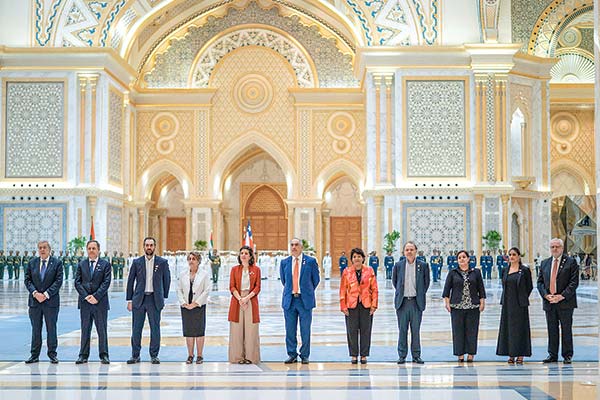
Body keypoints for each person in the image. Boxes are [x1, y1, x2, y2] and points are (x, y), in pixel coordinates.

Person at [126, 237, 171, 364]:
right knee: (136, 328)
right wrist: (129, 300)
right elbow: (130, 281)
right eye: (147, 245)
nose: (149, 247)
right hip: (139, 300)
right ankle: (135, 355)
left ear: (155, 246)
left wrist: (163, 297)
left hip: (154, 300)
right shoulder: (137, 262)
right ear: (143, 246)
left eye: (151, 245)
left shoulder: (162, 262)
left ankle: (154, 355)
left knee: (155, 328)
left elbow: (167, 280)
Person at [537, 238, 579, 364]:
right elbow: (540, 282)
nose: (554, 249)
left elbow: (574, 282)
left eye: (557, 247)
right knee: (552, 329)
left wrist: (561, 296)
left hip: (565, 302)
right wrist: (546, 295)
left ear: (562, 248)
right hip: (549, 302)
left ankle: (567, 355)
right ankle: (552, 354)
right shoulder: (545, 263)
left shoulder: (571, 262)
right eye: (552, 247)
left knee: (566, 329)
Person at [280, 238, 320, 364]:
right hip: (290, 300)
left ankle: (305, 355)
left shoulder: (310, 261)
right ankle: (292, 354)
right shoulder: (284, 262)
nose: (294, 247)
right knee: (290, 330)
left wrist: (306, 291)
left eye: (296, 245)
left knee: (305, 329)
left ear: (301, 247)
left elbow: (316, 280)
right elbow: (284, 280)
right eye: (292, 245)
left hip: (304, 301)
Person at [442, 250, 486, 363]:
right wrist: (447, 303)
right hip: (457, 307)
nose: (462, 259)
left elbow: (481, 289)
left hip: (473, 306)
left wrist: (482, 302)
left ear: (468, 259)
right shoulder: (453, 273)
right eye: (459, 257)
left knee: (472, 331)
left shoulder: (476, 272)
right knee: (458, 331)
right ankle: (460, 354)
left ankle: (471, 354)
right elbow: (446, 290)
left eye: (464, 257)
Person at [24, 241, 63, 364]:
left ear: (49, 249)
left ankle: (52, 354)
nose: (42, 250)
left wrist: (46, 295)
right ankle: (34, 355)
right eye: (40, 248)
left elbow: (58, 281)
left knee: (51, 328)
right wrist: (35, 293)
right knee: (36, 329)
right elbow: (27, 280)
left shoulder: (57, 263)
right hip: (35, 302)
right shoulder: (32, 263)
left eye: (44, 247)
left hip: (50, 302)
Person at [74, 240, 112, 364]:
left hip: (100, 303)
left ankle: (104, 355)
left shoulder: (105, 264)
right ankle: (83, 355)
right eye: (89, 248)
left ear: (98, 250)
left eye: (93, 248)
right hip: (85, 303)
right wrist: (86, 296)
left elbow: (106, 283)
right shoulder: (81, 264)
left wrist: (96, 296)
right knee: (85, 329)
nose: (91, 250)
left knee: (102, 330)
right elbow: (77, 282)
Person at [392, 241, 430, 364]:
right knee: (402, 330)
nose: (409, 252)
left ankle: (416, 356)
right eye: (407, 250)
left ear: (416, 251)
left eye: (411, 249)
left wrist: (419, 294)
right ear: (404, 252)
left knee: (415, 330)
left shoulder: (423, 266)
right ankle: (402, 355)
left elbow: (426, 283)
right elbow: (395, 282)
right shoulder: (398, 265)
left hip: (416, 302)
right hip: (402, 303)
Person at [339, 248, 378, 364]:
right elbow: (342, 290)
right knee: (352, 331)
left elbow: (374, 289)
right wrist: (343, 306)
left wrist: (374, 305)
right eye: (355, 257)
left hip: (366, 305)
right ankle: (354, 355)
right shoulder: (347, 272)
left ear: (363, 258)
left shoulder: (369, 271)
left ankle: (364, 355)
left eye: (359, 256)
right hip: (351, 305)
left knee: (366, 330)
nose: (357, 259)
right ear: (351, 259)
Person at [496, 247, 533, 364]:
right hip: (507, 303)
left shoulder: (525, 270)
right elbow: (504, 285)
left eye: (514, 255)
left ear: (518, 256)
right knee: (508, 329)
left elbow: (529, 286)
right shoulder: (505, 270)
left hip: (520, 304)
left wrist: (522, 296)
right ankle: (511, 353)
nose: (511, 257)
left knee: (520, 329)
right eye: (510, 255)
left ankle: (521, 354)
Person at [228, 246, 261, 364]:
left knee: (251, 329)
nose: (243, 255)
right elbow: (232, 286)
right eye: (241, 253)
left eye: (246, 253)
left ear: (251, 256)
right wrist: (240, 299)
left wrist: (247, 298)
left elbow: (257, 287)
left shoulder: (256, 269)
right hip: (237, 300)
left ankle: (251, 357)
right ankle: (237, 357)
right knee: (236, 330)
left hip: (251, 300)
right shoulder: (234, 269)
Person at [177, 251, 211, 364]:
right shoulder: (182, 274)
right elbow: (179, 289)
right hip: (186, 306)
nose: (191, 261)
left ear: (198, 261)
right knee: (189, 331)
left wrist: (196, 303)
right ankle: (190, 355)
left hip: (199, 306)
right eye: (189, 259)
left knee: (199, 331)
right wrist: (183, 303)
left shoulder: (204, 274)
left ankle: (200, 355)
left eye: (193, 259)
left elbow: (206, 290)